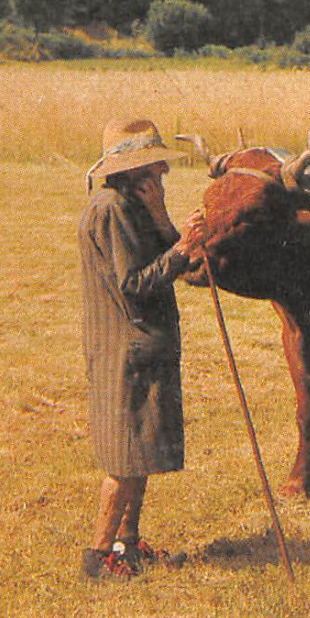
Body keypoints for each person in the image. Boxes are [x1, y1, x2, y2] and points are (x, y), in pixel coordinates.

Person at [78, 118, 206, 579]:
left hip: (144, 348)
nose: (162, 173)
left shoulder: (136, 206)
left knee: (141, 452)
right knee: (124, 458)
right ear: (134, 169)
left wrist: (166, 222)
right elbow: (134, 284)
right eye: (154, 166)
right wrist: (181, 248)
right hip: (126, 349)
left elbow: (186, 263)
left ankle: (126, 546)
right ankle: (98, 557)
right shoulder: (111, 208)